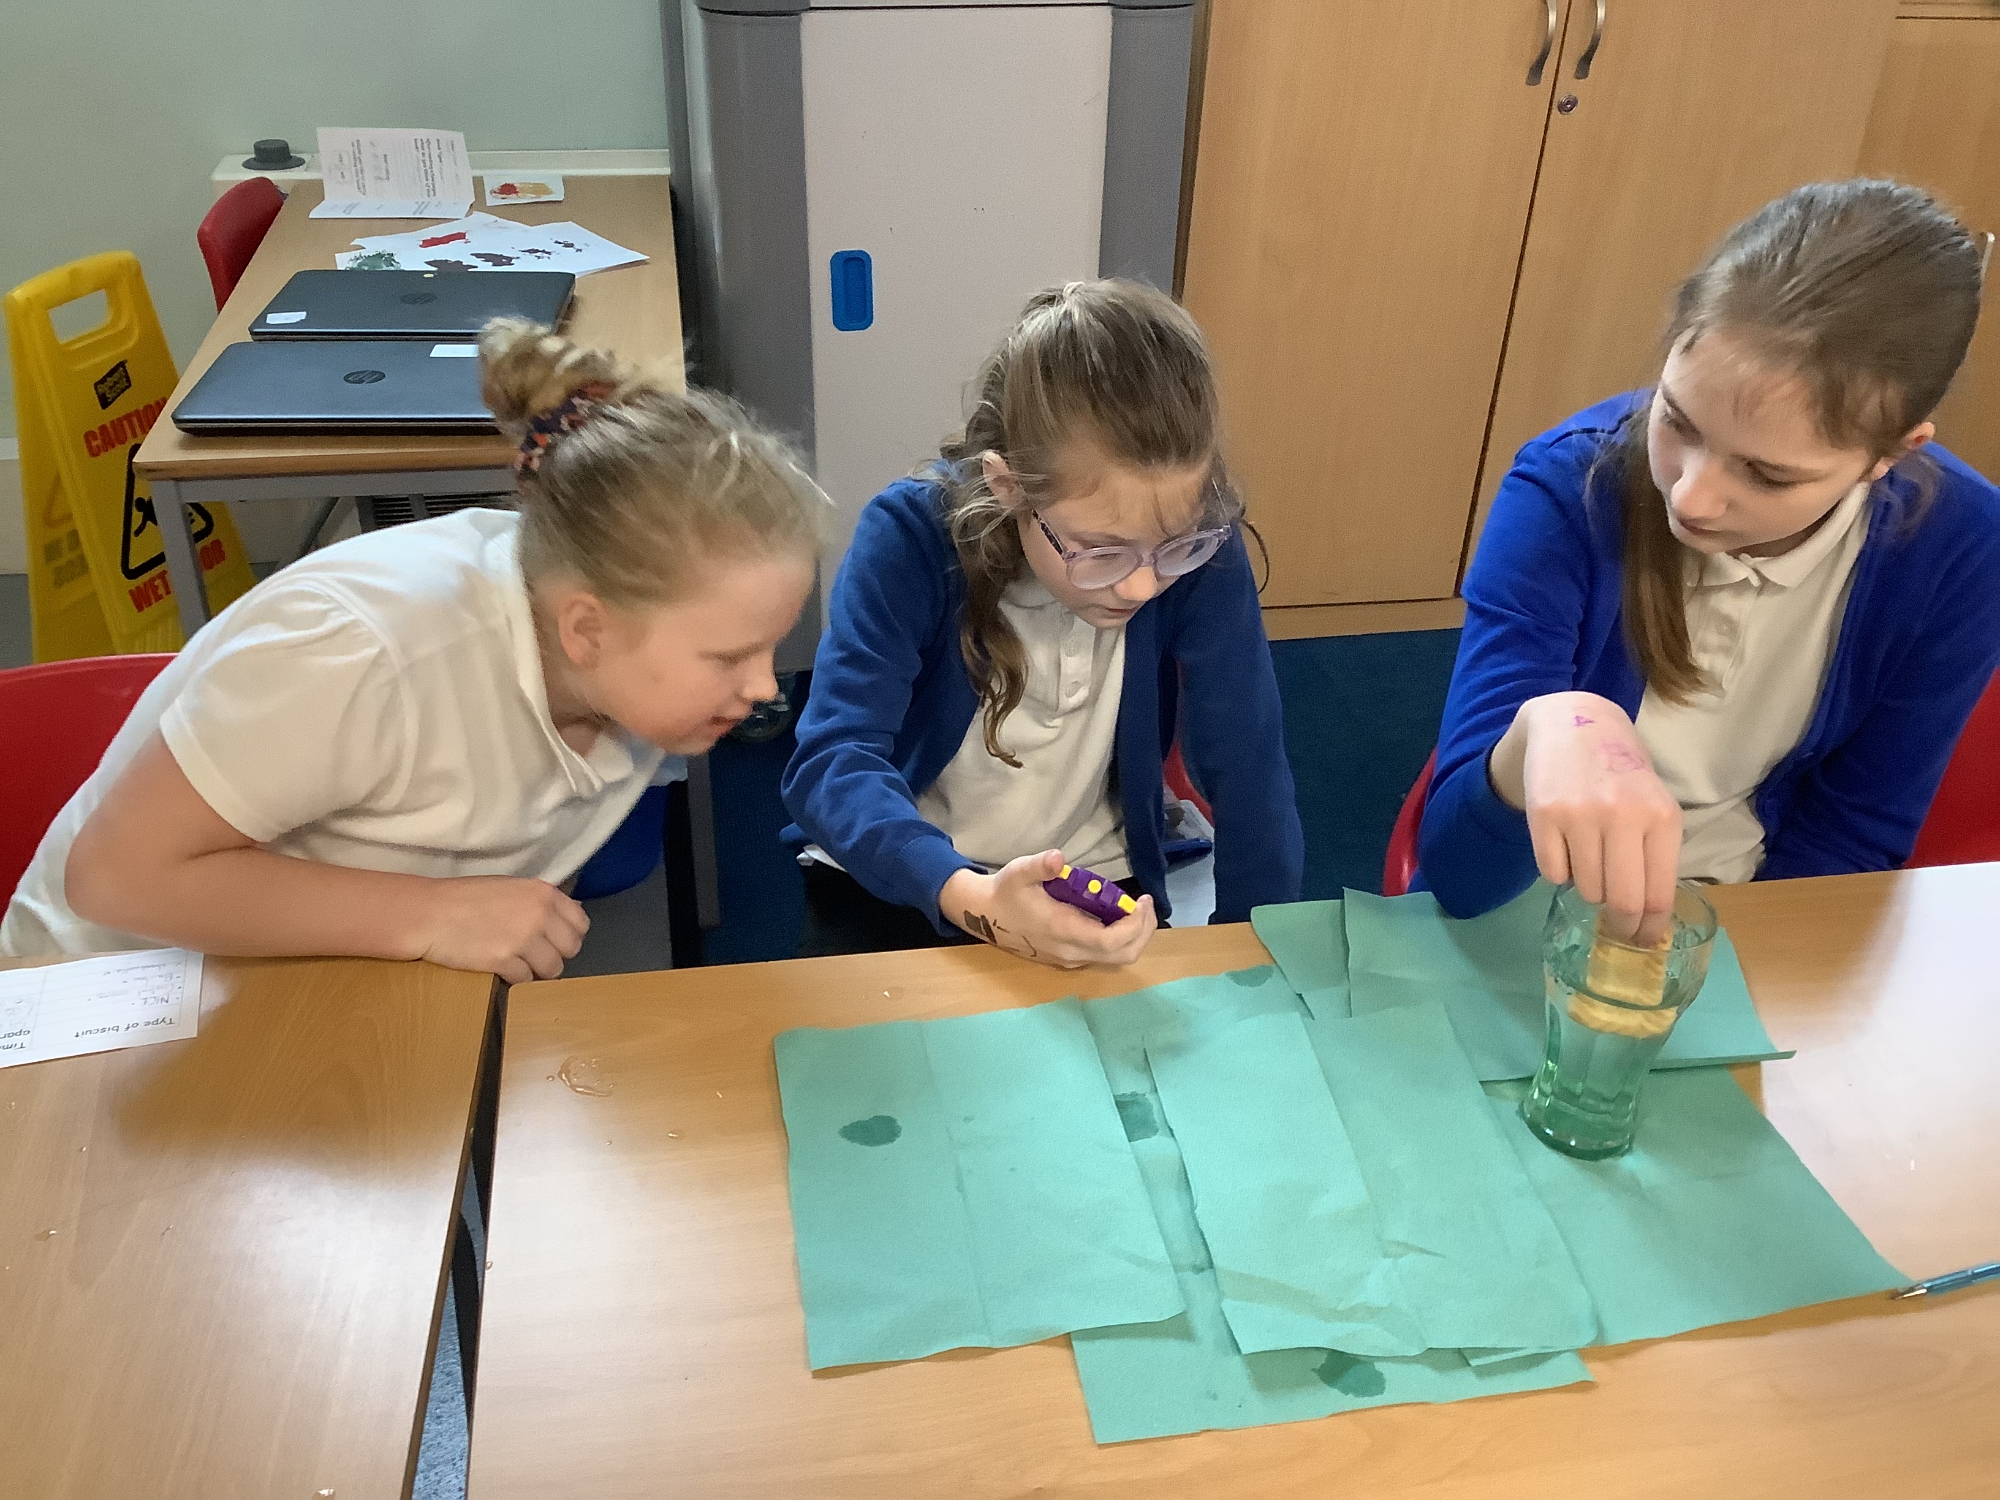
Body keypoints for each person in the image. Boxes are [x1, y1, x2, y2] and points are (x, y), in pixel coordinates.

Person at [3, 321, 824, 983]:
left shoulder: (624, 664)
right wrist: (435, 914)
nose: (764, 689)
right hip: (107, 997)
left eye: (768, 649)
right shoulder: (359, 653)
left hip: (328, 978)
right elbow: (113, 878)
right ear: (586, 629)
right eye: (729, 658)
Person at [1419, 180, 2000, 943]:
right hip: (1532, 904)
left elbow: (1852, 835)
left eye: (1767, 475)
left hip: (1742, 916)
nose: (1691, 496)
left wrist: (1723, 962)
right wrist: (1531, 741)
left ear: (1889, 455)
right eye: (1677, 421)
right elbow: (1458, 875)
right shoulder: (1566, 491)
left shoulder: (1966, 551)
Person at [782, 279, 1304, 969]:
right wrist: (970, 896)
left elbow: (1250, 764)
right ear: (1008, 486)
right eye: (1100, 551)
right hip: (908, 876)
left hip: (1091, 881)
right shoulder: (911, 539)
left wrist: (1256, 956)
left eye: (1172, 547)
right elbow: (832, 764)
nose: (1142, 584)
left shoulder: (1195, 542)